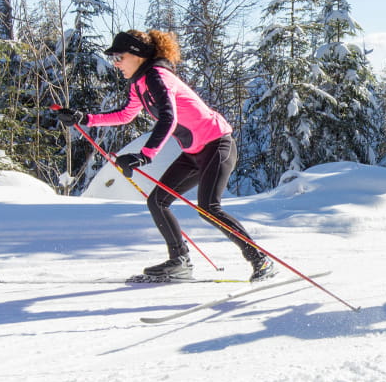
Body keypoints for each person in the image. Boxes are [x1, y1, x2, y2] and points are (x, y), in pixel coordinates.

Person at [54, 29, 275, 283]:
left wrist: (145, 155)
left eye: (119, 57)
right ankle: (179, 260)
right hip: (193, 152)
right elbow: (126, 115)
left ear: (137, 55)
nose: (116, 63)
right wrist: (85, 118)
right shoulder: (140, 83)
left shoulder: (158, 77)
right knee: (157, 201)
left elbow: (169, 117)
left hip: (217, 145)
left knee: (209, 208)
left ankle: (260, 259)